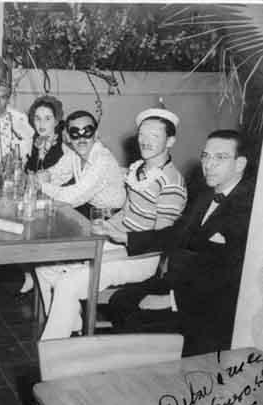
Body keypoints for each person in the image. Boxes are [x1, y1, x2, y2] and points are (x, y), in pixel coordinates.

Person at [98, 129, 254, 356]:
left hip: (207, 304)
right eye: (205, 156)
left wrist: (172, 300)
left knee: (137, 318)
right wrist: (127, 238)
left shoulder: (249, 210)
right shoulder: (206, 195)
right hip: (180, 281)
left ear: (240, 164)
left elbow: (229, 279)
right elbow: (176, 233)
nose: (208, 164)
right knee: (120, 301)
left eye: (220, 157)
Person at [35, 108, 187, 340]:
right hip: (118, 244)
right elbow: (127, 212)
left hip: (141, 259)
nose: (145, 141)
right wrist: (106, 228)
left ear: (170, 141)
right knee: (46, 266)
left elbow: (161, 241)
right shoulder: (140, 169)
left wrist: (115, 247)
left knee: (68, 283)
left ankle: (54, 347)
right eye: (142, 135)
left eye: (154, 136)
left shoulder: (171, 183)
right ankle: (72, 327)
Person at [19, 95, 72, 296]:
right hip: (42, 197)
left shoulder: (65, 143)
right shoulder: (37, 141)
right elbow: (29, 169)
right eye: (37, 118)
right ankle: (30, 272)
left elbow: (62, 177)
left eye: (47, 118)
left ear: (57, 121)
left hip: (62, 203)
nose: (41, 123)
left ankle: (42, 276)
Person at [37, 110, 126, 215]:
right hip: (87, 207)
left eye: (87, 132)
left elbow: (74, 197)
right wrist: (40, 178)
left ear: (96, 135)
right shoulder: (74, 154)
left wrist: (41, 186)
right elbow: (56, 173)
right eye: (75, 133)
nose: (81, 139)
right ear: (68, 137)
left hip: (110, 216)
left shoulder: (103, 160)